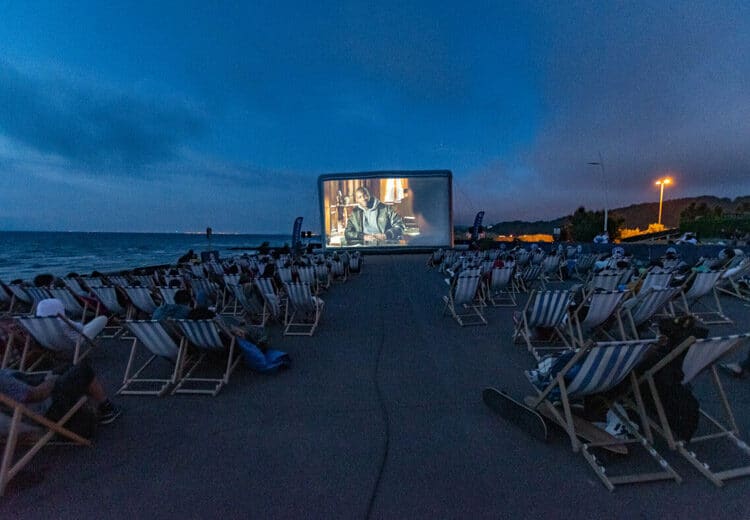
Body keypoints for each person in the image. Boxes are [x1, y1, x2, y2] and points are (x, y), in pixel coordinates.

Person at [0, 360, 122, 430]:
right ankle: (106, 408)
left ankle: (89, 409)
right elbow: (36, 395)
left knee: (67, 367)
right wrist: (50, 380)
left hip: (37, 403)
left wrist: (46, 379)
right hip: (48, 406)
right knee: (83, 370)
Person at [36, 298, 108, 341]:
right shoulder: (61, 320)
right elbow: (80, 328)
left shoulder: (38, 323)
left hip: (48, 342)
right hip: (75, 340)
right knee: (102, 318)